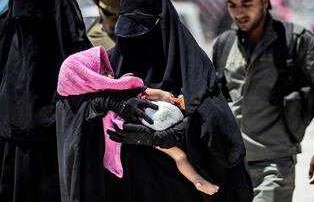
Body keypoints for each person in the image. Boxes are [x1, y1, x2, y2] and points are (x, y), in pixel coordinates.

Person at [106, 0, 253, 202]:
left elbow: (216, 123)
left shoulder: (190, 66)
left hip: (181, 188)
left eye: (144, 28)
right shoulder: (110, 63)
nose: (136, 40)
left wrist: (175, 134)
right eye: (129, 30)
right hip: (130, 184)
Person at [0, 0, 92, 202]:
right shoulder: (0, 132)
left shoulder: (81, 101)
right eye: (21, 23)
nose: (29, 32)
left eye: (38, 20)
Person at [211, 0, 314, 202]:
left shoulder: (295, 41)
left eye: (247, 3)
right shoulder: (223, 45)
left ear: (265, 2)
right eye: (232, 5)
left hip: (274, 164)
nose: (239, 13)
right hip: (231, 165)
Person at [56, 46, 220, 196]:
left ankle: (197, 180)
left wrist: (163, 96)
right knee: (177, 155)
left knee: (177, 155)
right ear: (86, 76)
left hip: (147, 122)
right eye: (101, 71)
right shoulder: (83, 106)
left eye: (108, 69)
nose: (109, 74)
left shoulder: (119, 84)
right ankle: (198, 180)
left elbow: (145, 90)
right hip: (129, 134)